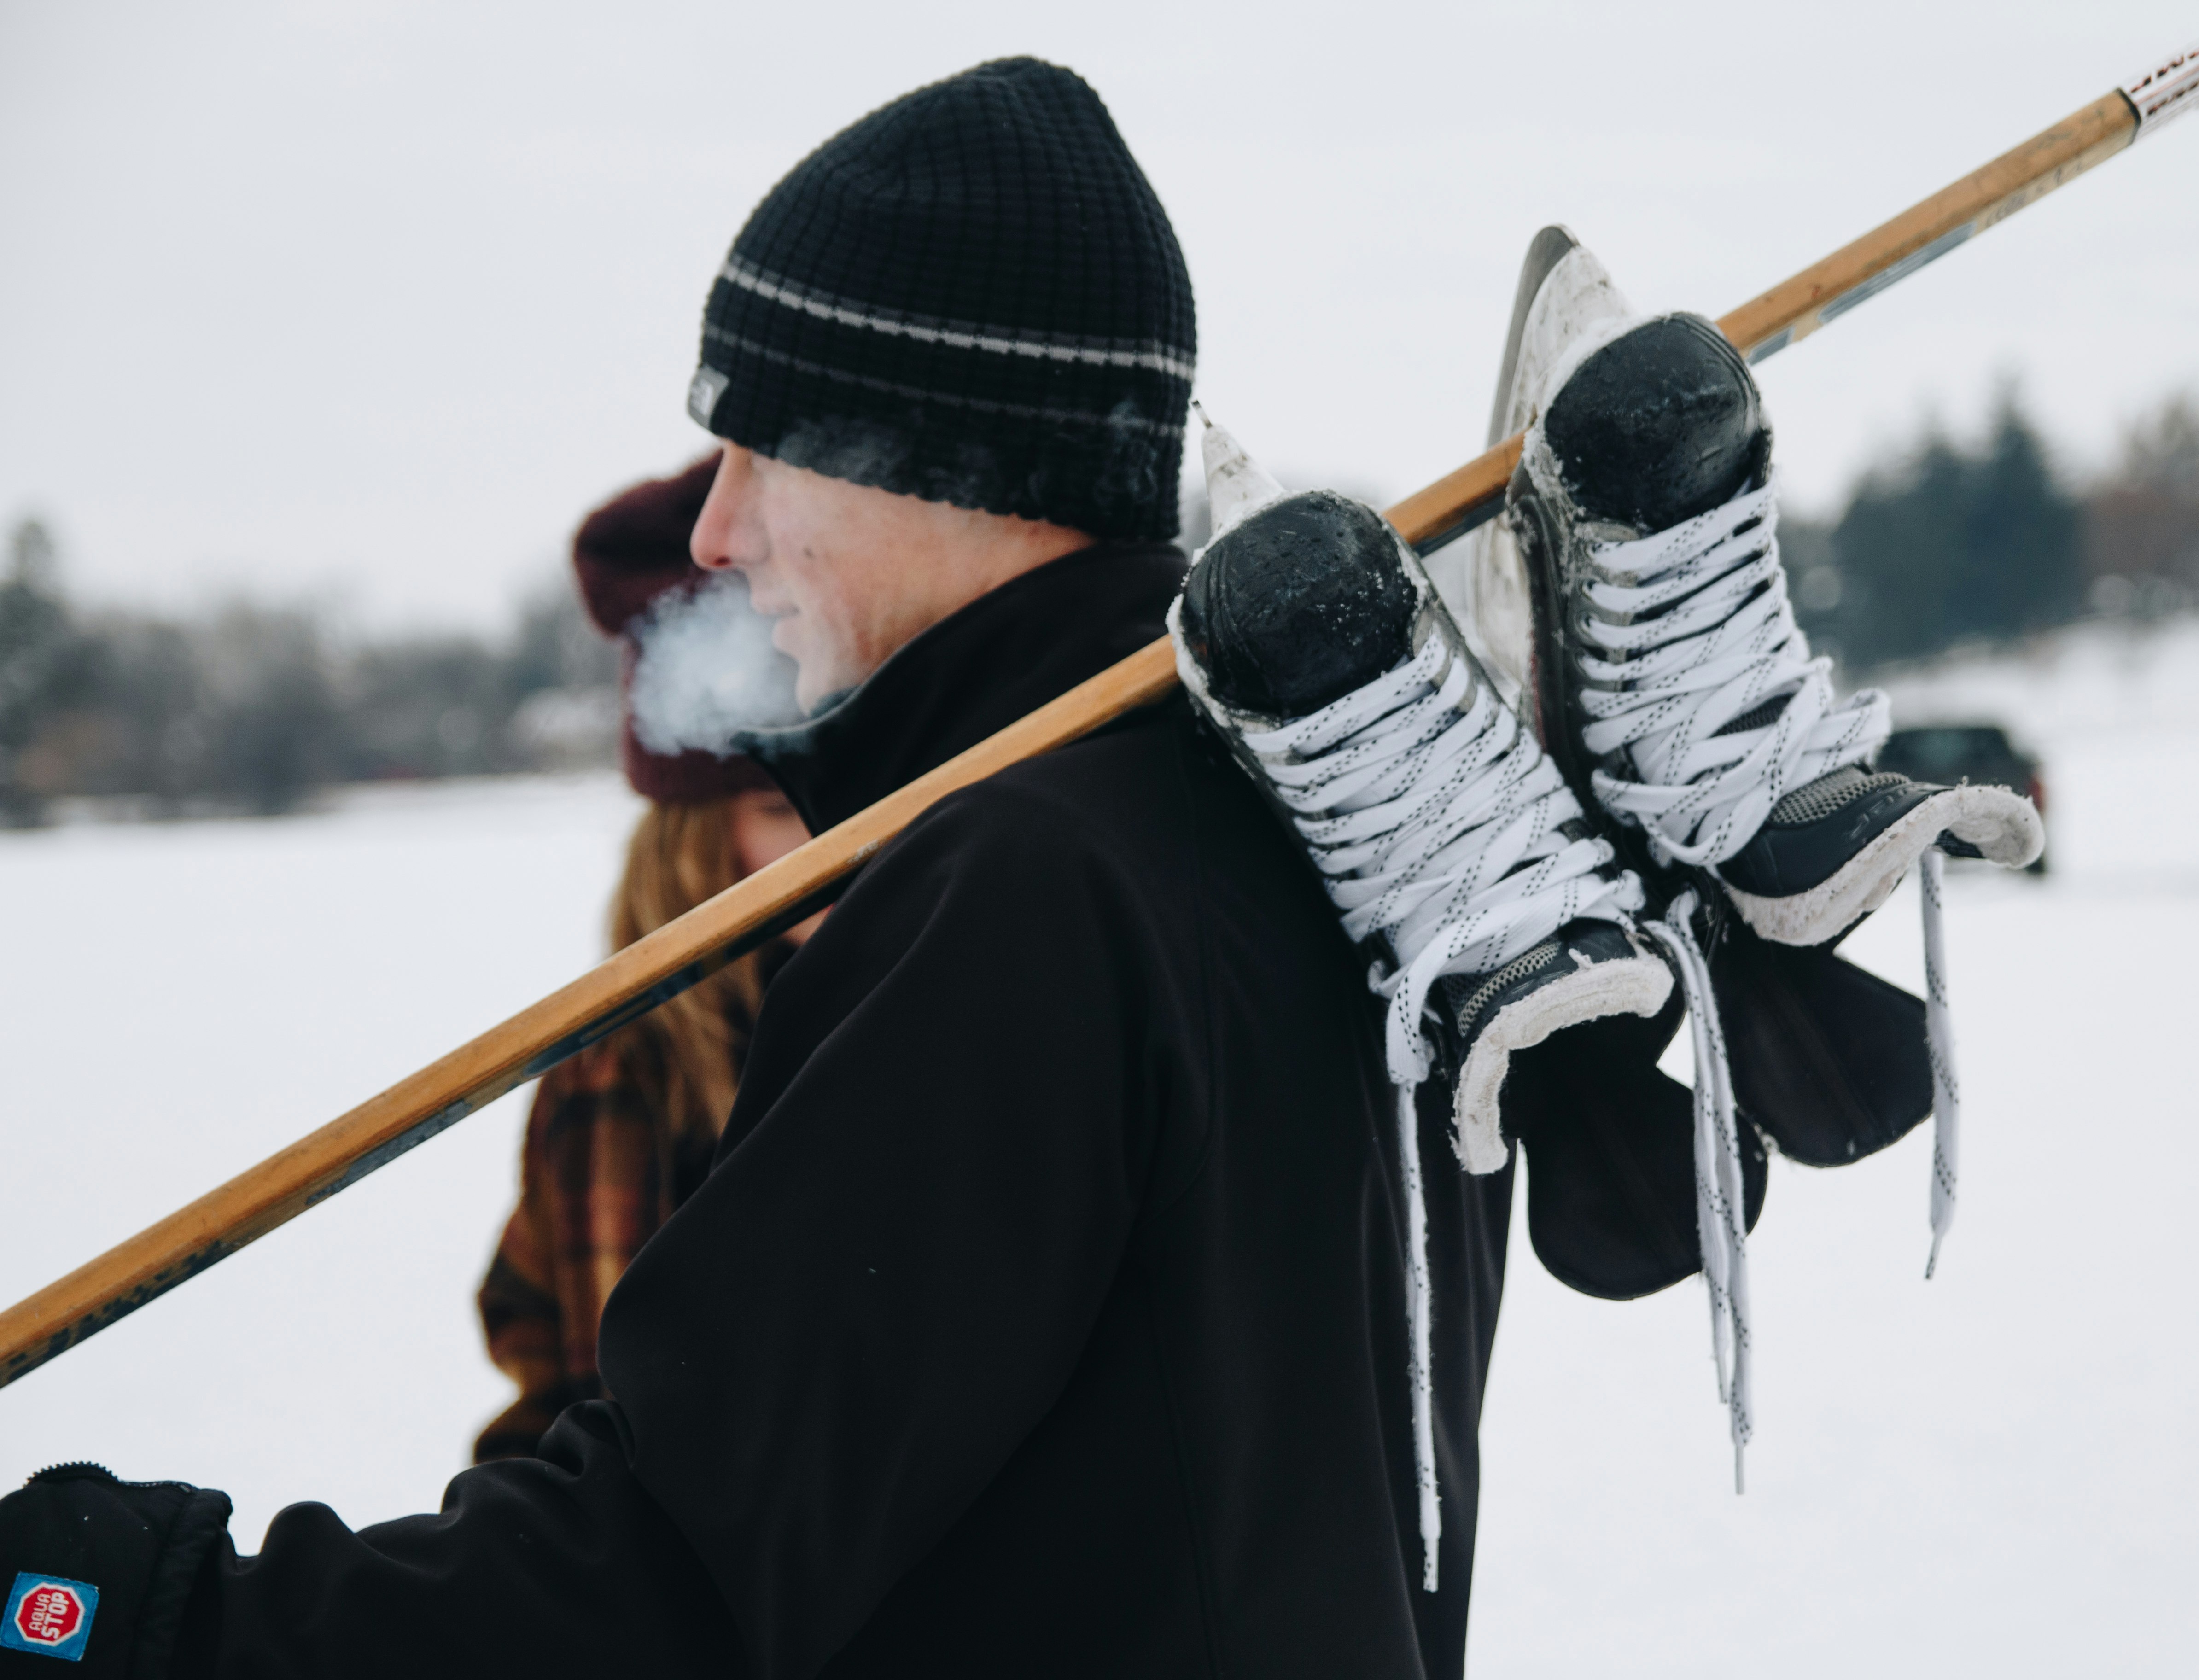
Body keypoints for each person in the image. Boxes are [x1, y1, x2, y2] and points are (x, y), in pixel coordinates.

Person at [0, 57, 2030, 1680]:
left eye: (755, 453)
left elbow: (662, 1592)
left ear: (939, 462)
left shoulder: (1025, 891)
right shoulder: (1317, 836)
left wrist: (122, 1605)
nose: (708, 536)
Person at [474, 455, 816, 1463]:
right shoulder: (615, 1074)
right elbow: (552, 1381)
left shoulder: (960, 1006)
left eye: (871, 796)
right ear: (694, 843)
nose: (839, 837)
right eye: (773, 807)